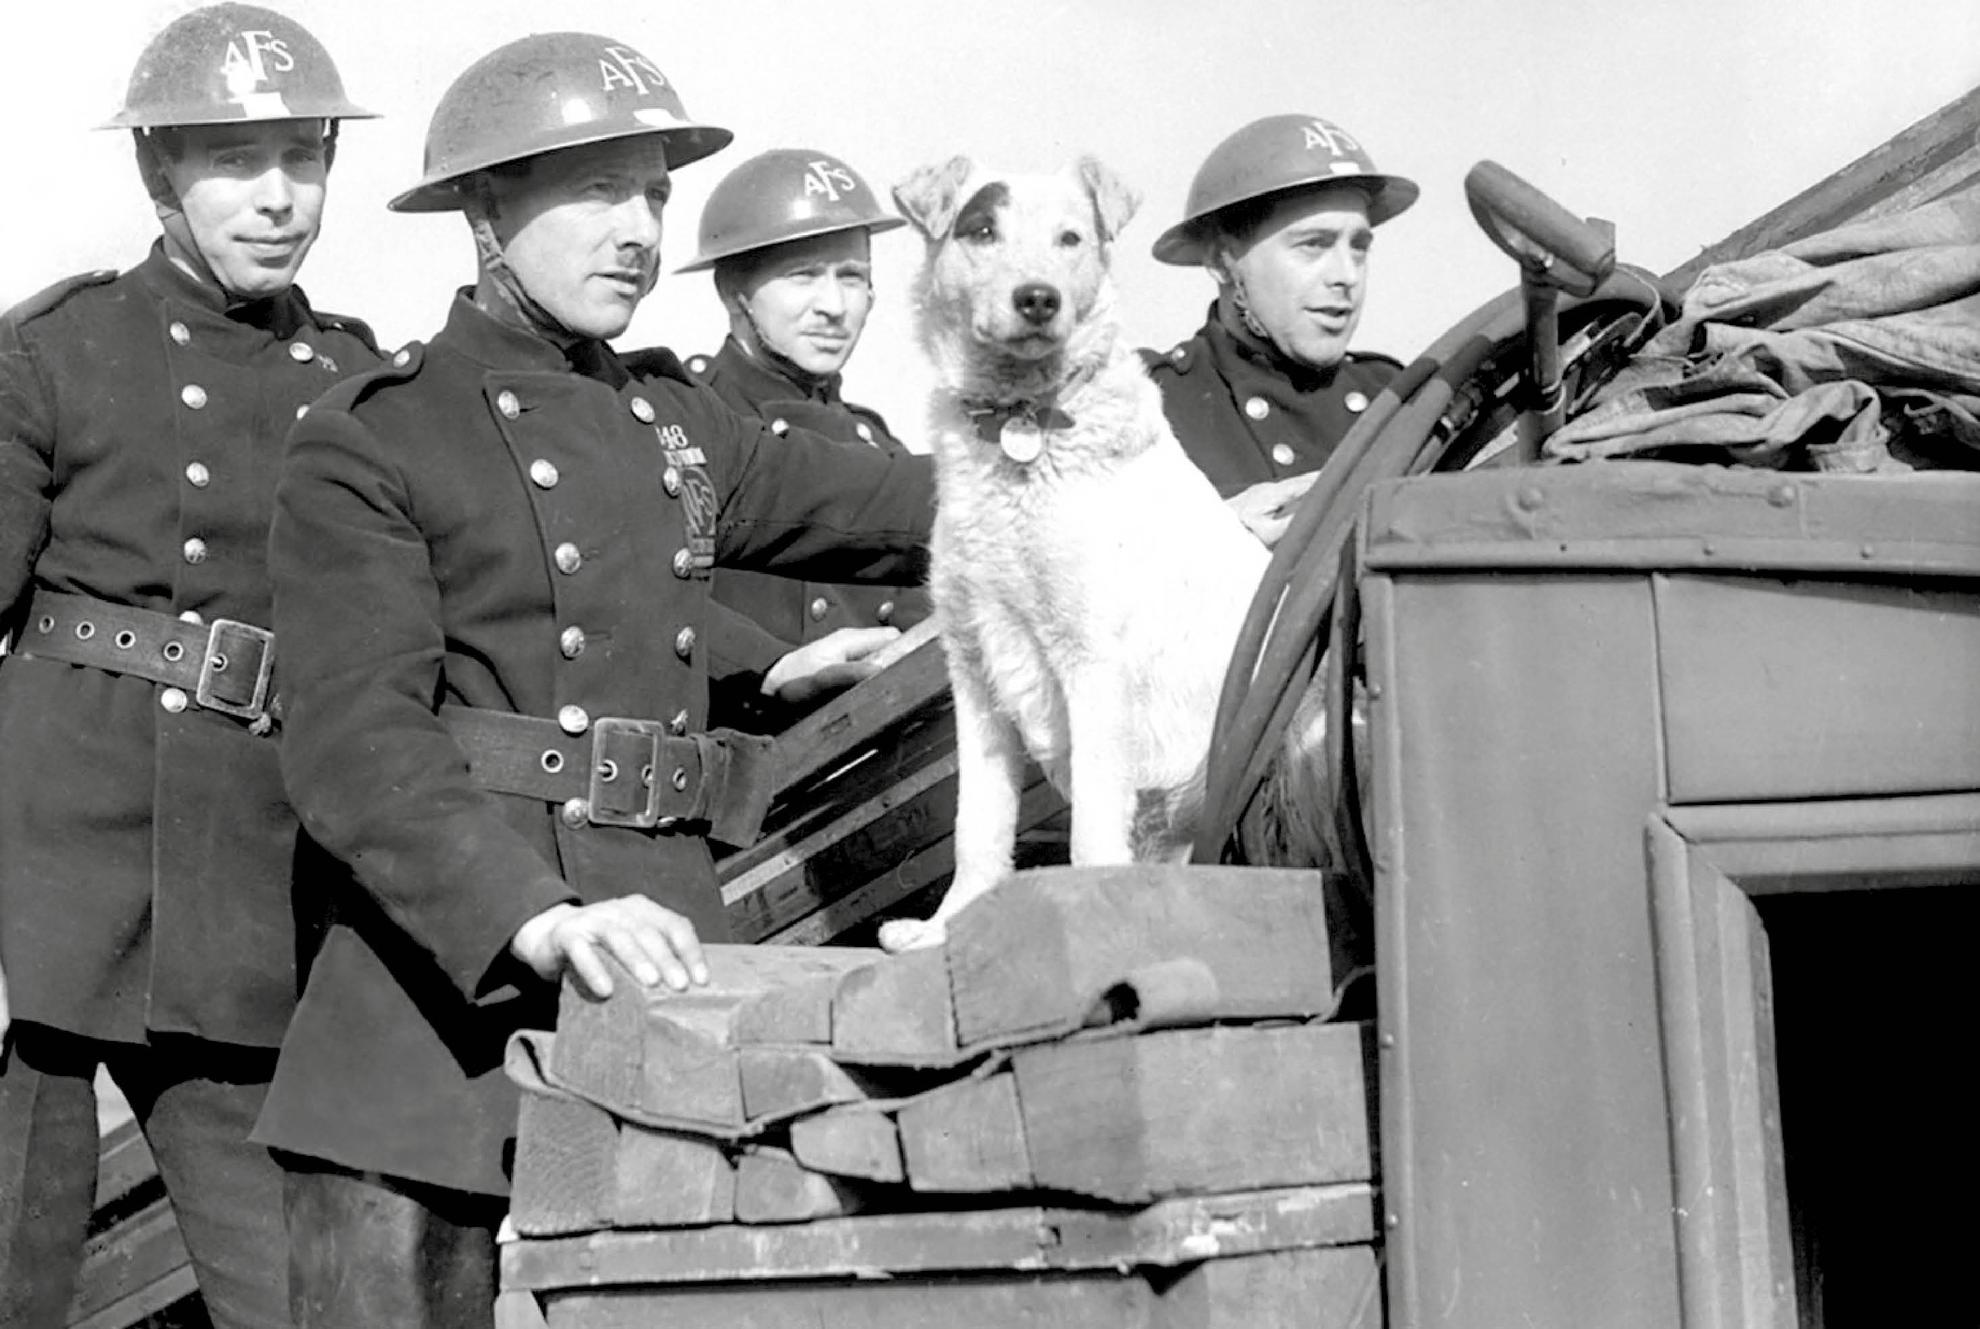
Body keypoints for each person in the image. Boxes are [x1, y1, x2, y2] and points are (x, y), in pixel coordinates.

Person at [251, 33, 934, 1327]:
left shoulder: (676, 422)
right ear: (484, 207)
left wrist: (1146, 499)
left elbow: (900, 505)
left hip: (662, 991)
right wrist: (538, 917)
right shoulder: (374, 435)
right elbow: (356, 743)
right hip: (433, 1014)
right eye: (596, 191)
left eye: (656, 195)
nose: (638, 228)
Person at [0, 7, 378, 1326]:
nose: (277, 197)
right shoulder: (57, 352)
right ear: (159, 174)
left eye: (302, 158)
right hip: (40, 889)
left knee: (290, 1298)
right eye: (233, 161)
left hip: (244, 906)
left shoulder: (355, 380)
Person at [679, 148, 932, 733]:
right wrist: (772, 667)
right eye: (803, 276)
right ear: (733, 290)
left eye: (853, 277)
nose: (834, 306)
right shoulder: (688, 423)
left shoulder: (876, 444)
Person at [1145, 114, 1418, 547]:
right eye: (1314, 245)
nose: (1346, 276)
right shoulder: (1151, 404)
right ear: (1221, 261)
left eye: (1359, 248)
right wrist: (1206, 540)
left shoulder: (1398, 400)